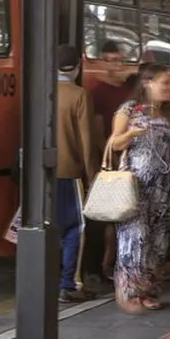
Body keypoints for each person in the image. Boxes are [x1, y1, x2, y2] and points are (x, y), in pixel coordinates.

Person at [111, 63, 170, 313]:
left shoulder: (168, 111)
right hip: (135, 183)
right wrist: (132, 134)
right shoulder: (128, 110)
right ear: (147, 83)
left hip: (163, 185)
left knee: (158, 241)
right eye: (165, 83)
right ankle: (129, 292)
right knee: (134, 238)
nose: (169, 88)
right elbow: (114, 143)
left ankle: (148, 290)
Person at [84, 41, 131, 285]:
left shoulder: (127, 91)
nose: (117, 65)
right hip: (111, 163)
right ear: (102, 62)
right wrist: (111, 155)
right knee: (100, 219)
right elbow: (98, 130)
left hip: (127, 162)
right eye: (112, 60)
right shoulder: (97, 92)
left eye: (120, 60)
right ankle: (94, 267)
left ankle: (115, 265)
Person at [56, 45, 98, 303]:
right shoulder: (79, 95)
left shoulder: (41, 92)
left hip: (40, 175)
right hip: (70, 173)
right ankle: (68, 283)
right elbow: (87, 140)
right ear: (78, 65)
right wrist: (94, 176)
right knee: (75, 228)